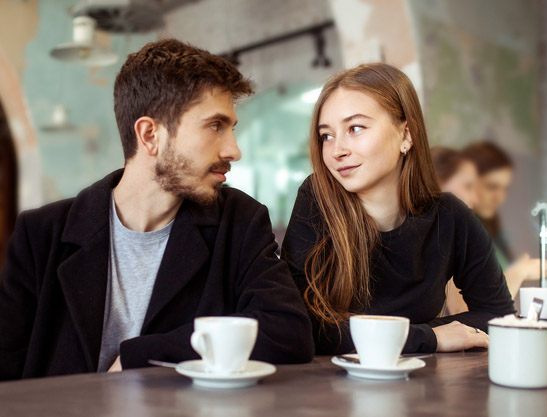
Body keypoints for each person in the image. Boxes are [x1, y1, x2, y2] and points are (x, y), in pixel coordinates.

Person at [0, 39, 313, 381]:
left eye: (231, 128)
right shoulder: (41, 234)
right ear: (150, 135)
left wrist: (141, 355)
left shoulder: (239, 221)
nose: (234, 150)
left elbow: (288, 332)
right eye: (215, 126)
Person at [281, 63, 515, 355]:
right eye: (326, 135)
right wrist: (429, 337)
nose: (337, 150)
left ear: (406, 134)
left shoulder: (449, 216)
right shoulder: (316, 198)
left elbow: (499, 316)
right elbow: (301, 325)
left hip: (421, 389)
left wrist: (419, 337)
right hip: (331, 391)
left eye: (355, 128)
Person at [461, 141, 543, 299]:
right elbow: (475, 307)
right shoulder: (458, 233)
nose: (500, 198)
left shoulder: (493, 230)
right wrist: (519, 272)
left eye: (505, 189)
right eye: (491, 187)